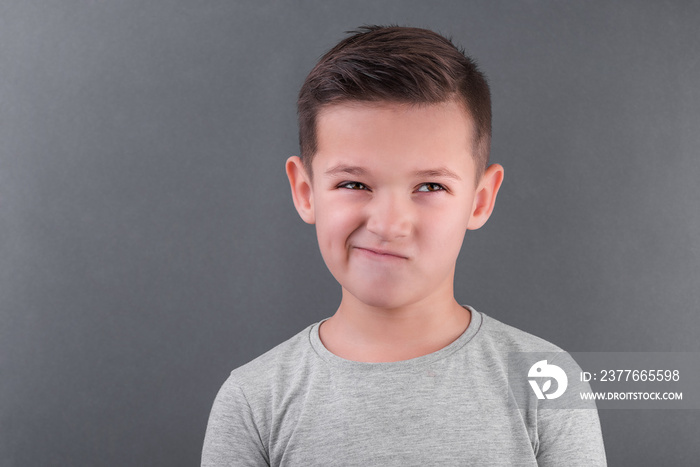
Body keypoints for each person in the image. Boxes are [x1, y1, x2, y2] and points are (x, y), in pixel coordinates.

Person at [202, 25, 606, 466]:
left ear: (480, 199)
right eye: (353, 183)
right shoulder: (252, 402)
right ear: (305, 191)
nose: (389, 224)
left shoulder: (546, 381)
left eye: (430, 186)